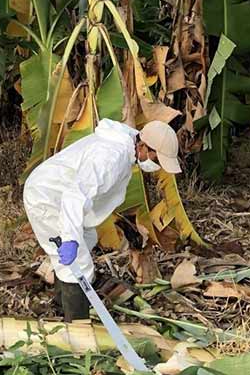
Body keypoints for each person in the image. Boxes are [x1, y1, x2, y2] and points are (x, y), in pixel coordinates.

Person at [23, 118, 181, 322]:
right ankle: (77, 326)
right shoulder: (110, 158)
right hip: (49, 199)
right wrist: (70, 238)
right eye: (156, 159)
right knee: (79, 264)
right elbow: (75, 196)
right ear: (142, 146)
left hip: (62, 197)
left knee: (86, 241)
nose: (156, 165)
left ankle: (63, 303)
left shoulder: (128, 145)